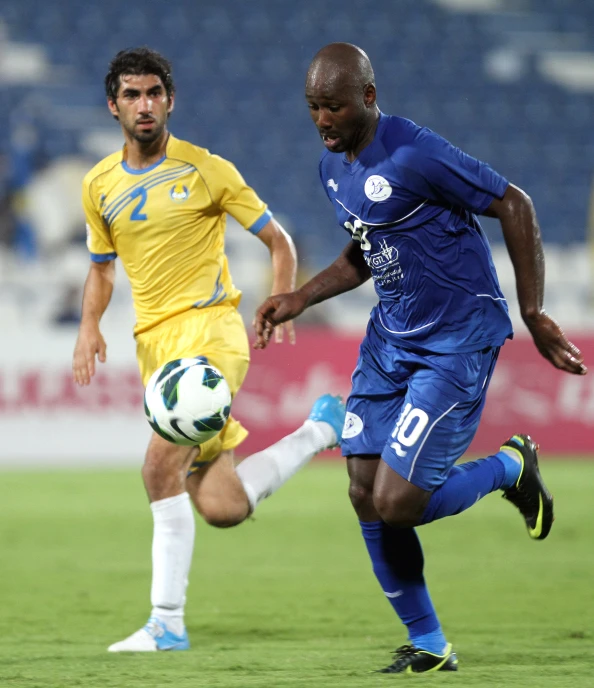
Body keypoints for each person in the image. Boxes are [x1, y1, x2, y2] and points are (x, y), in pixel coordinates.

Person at [254, 42, 588, 674]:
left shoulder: (413, 152)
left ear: (369, 99)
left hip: (456, 341)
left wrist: (535, 311)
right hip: (392, 338)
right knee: (361, 491)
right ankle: (431, 645)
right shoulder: (332, 170)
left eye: (334, 106)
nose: (322, 119)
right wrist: (300, 295)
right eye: (312, 107)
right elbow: (366, 250)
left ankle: (510, 469)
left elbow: (514, 203)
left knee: (399, 501)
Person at [72, 47, 345, 653]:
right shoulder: (99, 185)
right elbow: (101, 269)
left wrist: (281, 300)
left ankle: (166, 622)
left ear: (171, 100)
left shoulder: (206, 170)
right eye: (132, 95)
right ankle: (324, 429)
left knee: (155, 467)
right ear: (113, 106)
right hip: (155, 347)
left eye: (154, 93)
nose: (145, 105)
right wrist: (90, 326)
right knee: (221, 506)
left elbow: (279, 241)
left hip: (211, 333)